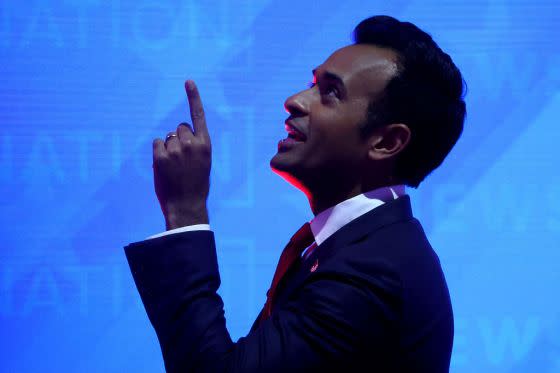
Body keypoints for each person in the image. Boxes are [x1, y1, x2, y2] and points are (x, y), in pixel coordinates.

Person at [124, 15, 466, 372]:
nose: (295, 100)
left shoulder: (372, 273)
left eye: (330, 92)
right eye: (312, 83)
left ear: (387, 142)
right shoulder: (361, 248)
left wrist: (185, 211)